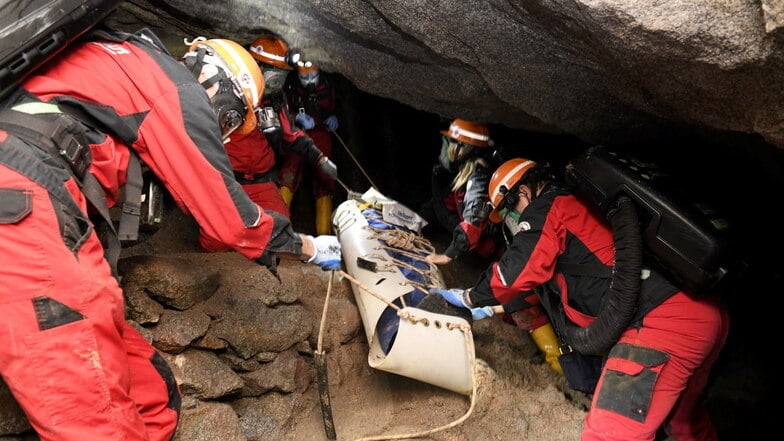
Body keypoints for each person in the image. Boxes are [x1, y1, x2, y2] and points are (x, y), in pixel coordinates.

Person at [0, 28, 341, 441]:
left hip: (36, 191)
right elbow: (228, 215)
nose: (223, 128)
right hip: (23, 194)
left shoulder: (126, 63)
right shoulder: (173, 86)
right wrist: (304, 245)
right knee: (94, 412)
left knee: (151, 391)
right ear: (215, 83)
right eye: (229, 117)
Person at [430, 157, 729, 441]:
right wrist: (497, 311)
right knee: (684, 420)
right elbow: (539, 294)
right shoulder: (579, 216)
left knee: (608, 433)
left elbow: (512, 274)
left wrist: (467, 297)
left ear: (524, 191)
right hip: (701, 314)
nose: (511, 219)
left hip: (663, 322)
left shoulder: (551, 206)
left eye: (509, 210)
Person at [196, 34, 337, 233]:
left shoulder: (275, 100)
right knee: (219, 236)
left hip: (261, 181)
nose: (275, 83)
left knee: (278, 228)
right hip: (229, 180)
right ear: (256, 67)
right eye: (273, 76)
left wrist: (320, 158)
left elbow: (292, 135)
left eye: (281, 77)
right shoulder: (227, 96)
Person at [419, 118, 502, 265]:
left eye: (451, 141)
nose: (447, 146)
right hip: (475, 244)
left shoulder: (479, 178)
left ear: (465, 148)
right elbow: (445, 203)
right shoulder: (466, 172)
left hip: (487, 252)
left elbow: (474, 220)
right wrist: (417, 221)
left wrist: (447, 256)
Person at [283, 60, 339, 235]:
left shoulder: (329, 85)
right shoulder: (290, 87)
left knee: (325, 178)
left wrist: (335, 118)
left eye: (313, 76)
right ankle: (279, 228)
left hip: (321, 131)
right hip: (296, 132)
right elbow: (280, 110)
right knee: (288, 173)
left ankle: (324, 234)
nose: (309, 81)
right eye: (304, 77)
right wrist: (294, 118)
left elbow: (340, 106)